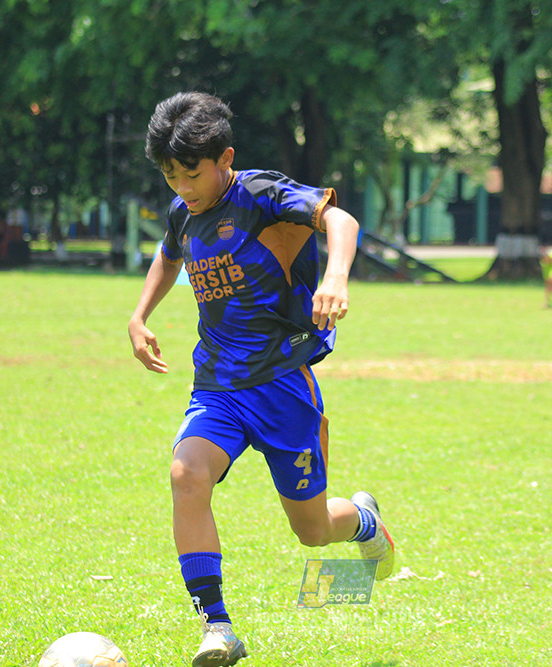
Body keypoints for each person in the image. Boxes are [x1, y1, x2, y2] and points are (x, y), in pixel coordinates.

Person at [127, 92, 394, 667]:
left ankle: (366, 522)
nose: (182, 187)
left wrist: (338, 279)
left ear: (226, 158)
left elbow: (339, 219)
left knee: (314, 532)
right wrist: (139, 315)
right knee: (185, 474)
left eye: (192, 174)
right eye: (170, 175)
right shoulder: (183, 210)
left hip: (283, 385)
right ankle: (217, 627)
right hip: (218, 385)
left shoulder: (261, 193)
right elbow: (169, 255)